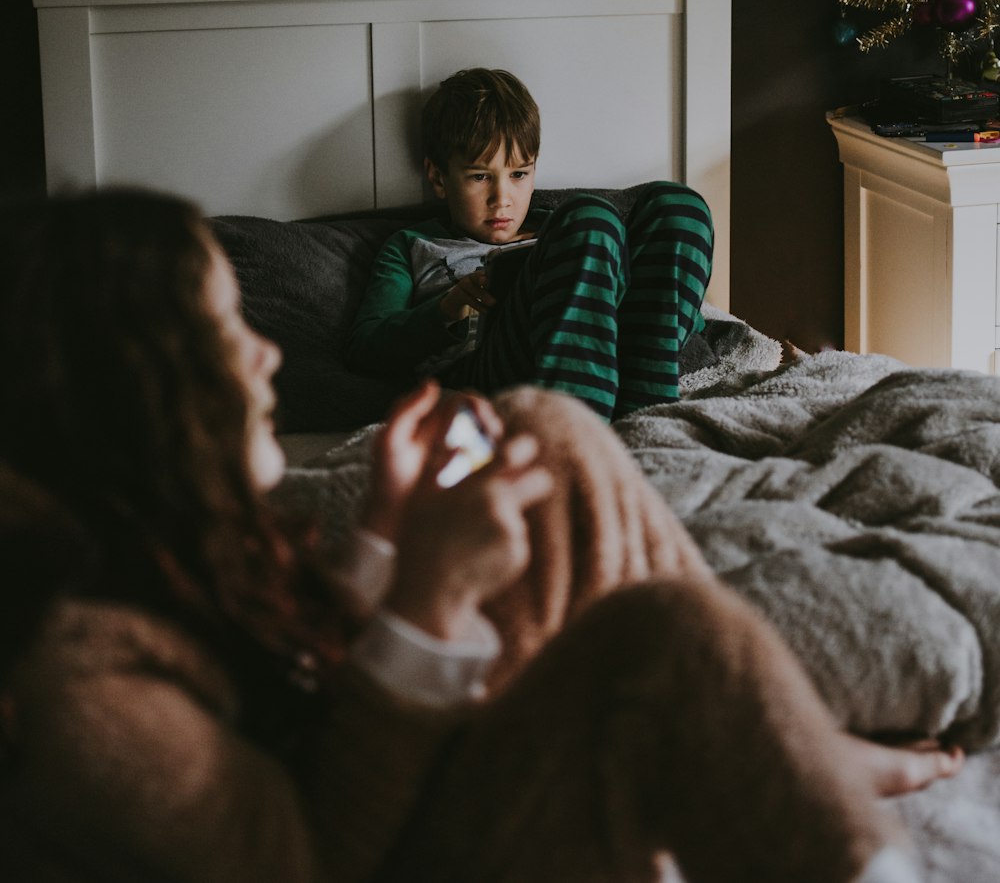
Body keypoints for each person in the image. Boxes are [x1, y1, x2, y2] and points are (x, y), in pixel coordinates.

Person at [0, 187, 961, 883]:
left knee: (547, 426)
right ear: (123, 398)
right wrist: (427, 600)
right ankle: (781, 759)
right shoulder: (93, 714)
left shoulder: (163, 547)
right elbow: (310, 850)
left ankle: (774, 729)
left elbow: (297, 687)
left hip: (400, 790)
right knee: (665, 636)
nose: (264, 356)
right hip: (379, 838)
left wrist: (381, 530)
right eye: (222, 331)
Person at [348, 67, 714, 422]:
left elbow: (673, 305)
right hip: (489, 375)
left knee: (679, 204)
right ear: (438, 178)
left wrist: (660, 300)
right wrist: (446, 309)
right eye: (479, 177)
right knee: (588, 217)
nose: (502, 198)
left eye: (519, 174)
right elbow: (367, 346)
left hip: (607, 358)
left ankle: (644, 404)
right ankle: (573, 427)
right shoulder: (412, 245)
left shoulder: (559, 230)